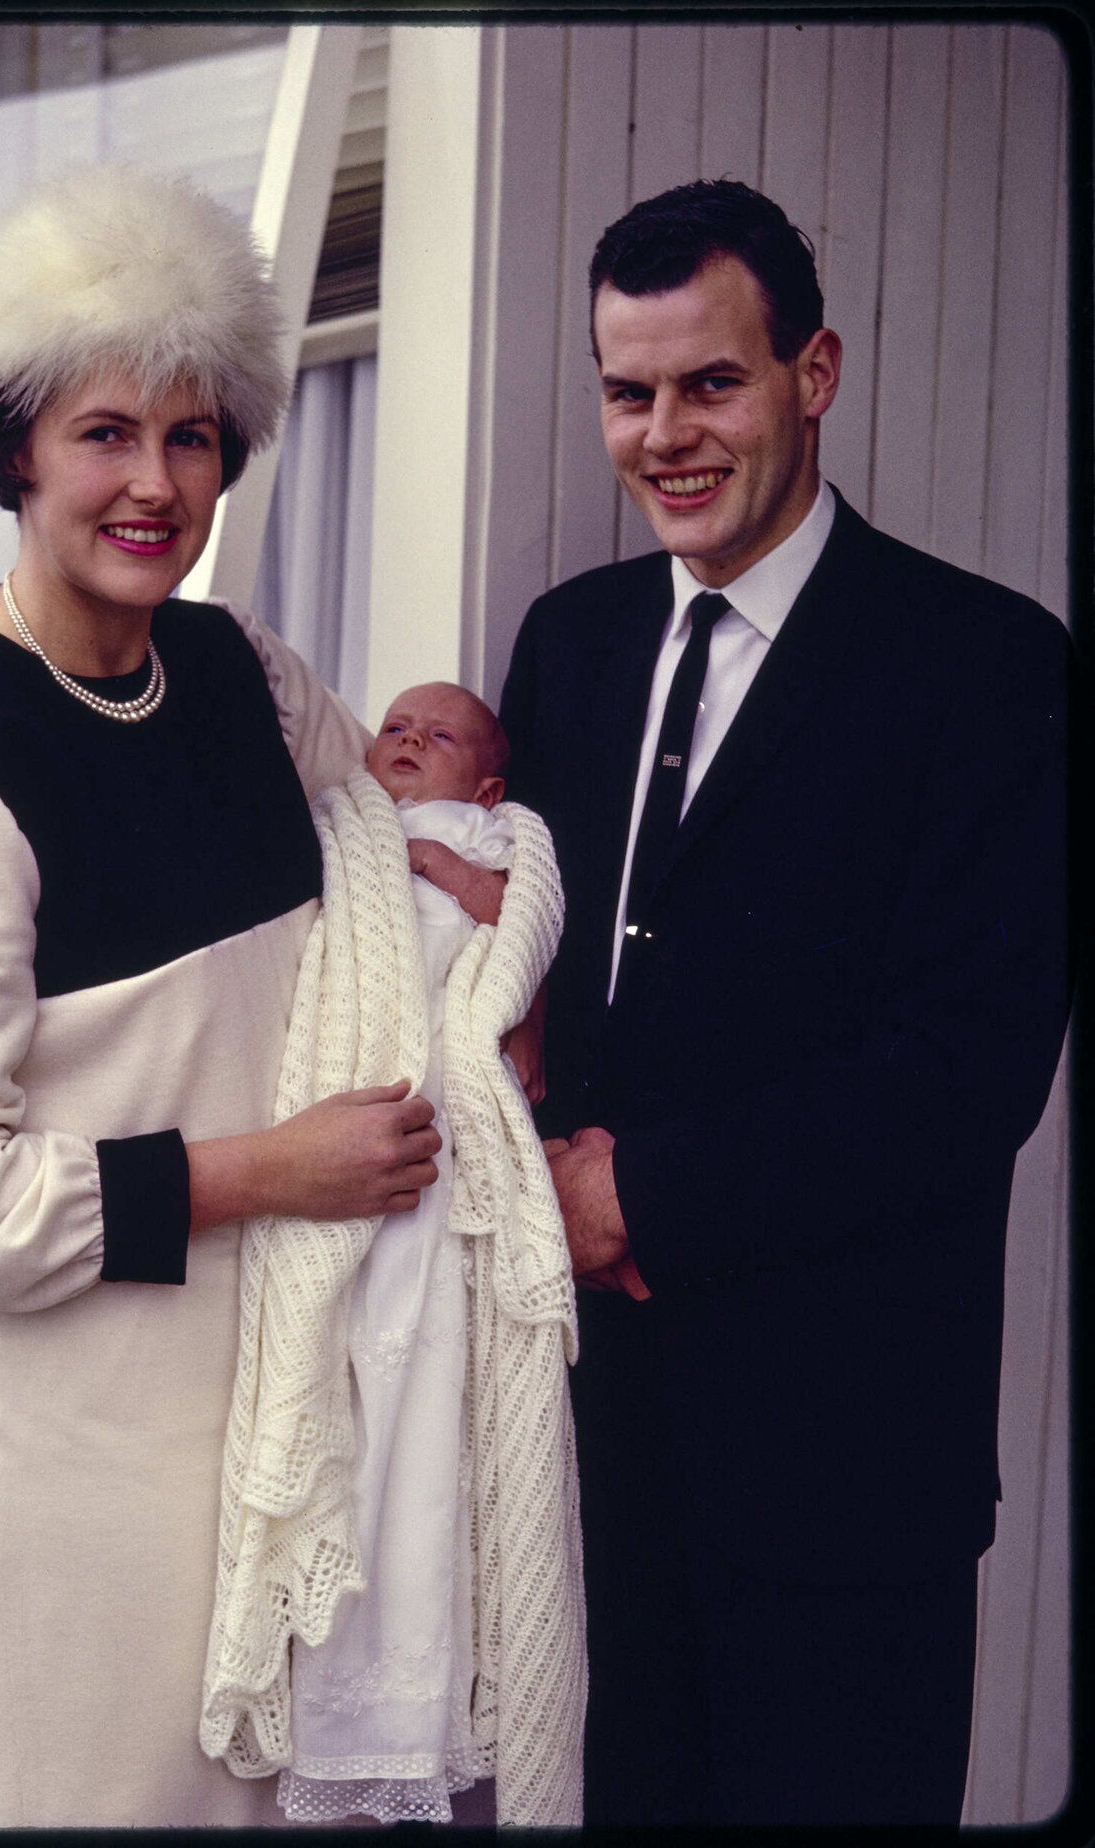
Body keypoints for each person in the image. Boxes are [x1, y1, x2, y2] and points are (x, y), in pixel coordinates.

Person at [0, 161, 444, 1829]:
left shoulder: (247, 679)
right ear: (14, 446)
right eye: (106, 431)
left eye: (192, 435)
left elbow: (402, 869)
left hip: (288, 1408)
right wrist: (269, 1168)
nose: (154, 481)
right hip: (94, 1468)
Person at [497, 178, 1072, 1827]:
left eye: (711, 382)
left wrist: (636, 1191)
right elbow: (521, 982)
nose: (664, 432)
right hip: (591, 1460)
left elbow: (959, 1076)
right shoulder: (571, 643)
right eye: (628, 390)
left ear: (812, 371)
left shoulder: (987, 667)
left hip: (844, 1481)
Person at [200, 683, 586, 1826]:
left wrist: (475, 892)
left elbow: (525, 936)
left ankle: (397, 1711)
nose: (408, 743)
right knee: (338, 1411)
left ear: (489, 785)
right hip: (344, 1120)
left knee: (418, 1426)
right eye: (395, 730)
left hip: (436, 1151)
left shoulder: (499, 840)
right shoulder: (343, 825)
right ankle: (332, 1699)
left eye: (442, 735)